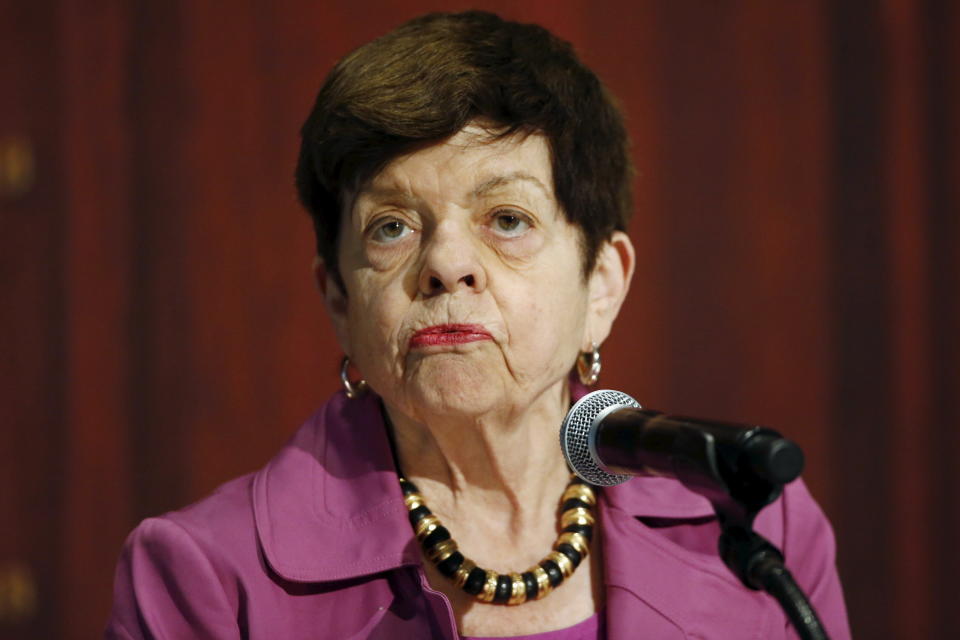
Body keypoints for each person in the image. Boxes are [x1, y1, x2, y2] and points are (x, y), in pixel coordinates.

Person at [106, 11, 850, 639]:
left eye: (506, 218)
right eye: (391, 227)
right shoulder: (205, 578)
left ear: (602, 283)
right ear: (338, 298)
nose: (446, 265)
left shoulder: (757, 532)